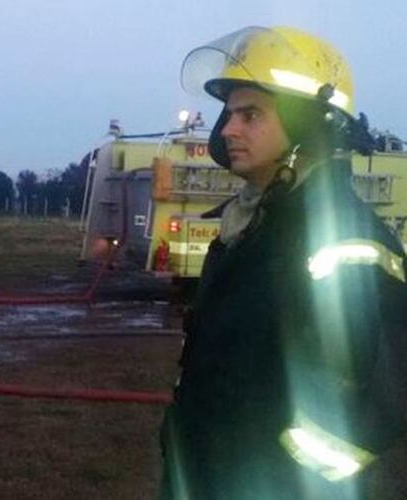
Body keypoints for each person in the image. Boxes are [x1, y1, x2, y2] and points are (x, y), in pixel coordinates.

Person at [159, 26, 407, 499]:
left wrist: (275, 473)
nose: (228, 129)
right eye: (228, 115)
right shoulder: (252, 228)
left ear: (306, 126)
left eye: (250, 114)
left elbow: (379, 399)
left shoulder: (344, 239)